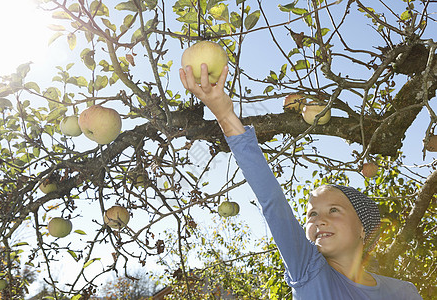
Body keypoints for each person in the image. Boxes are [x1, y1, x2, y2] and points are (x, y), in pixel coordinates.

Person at [179, 63, 423, 299]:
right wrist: (223, 114)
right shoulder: (308, 270)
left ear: (363, 228)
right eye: (311, 215)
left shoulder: (404, 292)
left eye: (334, 209)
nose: (319, 220)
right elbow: (272, 200)